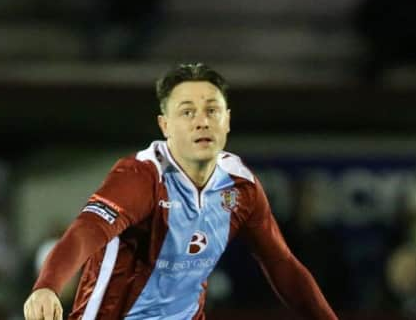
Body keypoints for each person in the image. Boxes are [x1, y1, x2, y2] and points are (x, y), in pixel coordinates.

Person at [23, 63, 338, 320]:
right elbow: (86, 231)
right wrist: (47, 285)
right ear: (165, 125)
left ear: (227, 120)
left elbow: (281, 263)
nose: (202, 122)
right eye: (187, 112)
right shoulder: (141, 176)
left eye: (212, 110)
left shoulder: (242, 187)